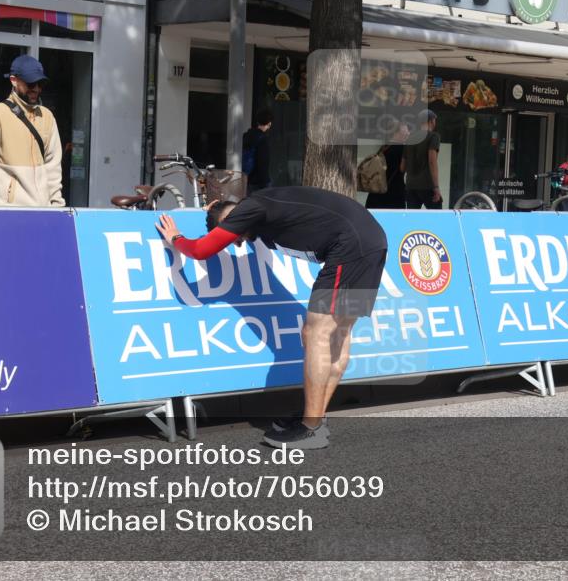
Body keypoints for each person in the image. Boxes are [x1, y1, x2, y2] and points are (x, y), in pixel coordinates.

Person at [155, 187, 388, 450]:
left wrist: (176, 238)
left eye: (232, 232)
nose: (236, 239)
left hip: (351, 246)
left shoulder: (251, 208)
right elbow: (229, 213)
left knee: (317, 334)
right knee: (337, 335)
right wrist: (217, 210)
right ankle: (313, 418)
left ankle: (311, 428)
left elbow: (201, 250)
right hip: (370, 240)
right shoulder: (261, 213)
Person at [0, 54, 64, 207]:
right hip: (7, 211)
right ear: (13, 80)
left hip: (44, 211)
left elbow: (53, 167)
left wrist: (57, 206)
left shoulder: (47, 117)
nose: (36, 89)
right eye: (31, 83)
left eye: (40, 83)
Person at [365, 119, 408, 210]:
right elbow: (403, 168)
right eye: (405, 131)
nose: (408, 133)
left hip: (376, 195)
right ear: (396, 133)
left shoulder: (384, 148)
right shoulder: (402, 149)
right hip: (393, 195)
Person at [403, 109, 442, 209]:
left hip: (411, 186)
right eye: (435, 120)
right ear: (431, 121)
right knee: (437, 215)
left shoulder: (409, 138)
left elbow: (402, 167)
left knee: (412, 217)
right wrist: (436, 187)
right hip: (427, 185)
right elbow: (432, 161)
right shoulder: (433, 136)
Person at [242, 108, 273, 193]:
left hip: (247, 178)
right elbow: (262, 162)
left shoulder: (246, 136)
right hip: (259, 182)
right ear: (269, 123)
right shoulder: (262, 139)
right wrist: (265, 182)